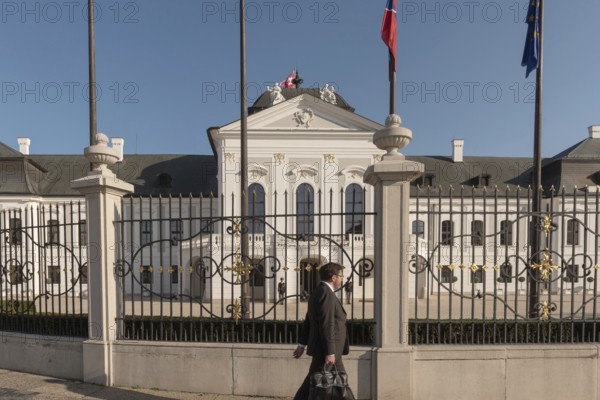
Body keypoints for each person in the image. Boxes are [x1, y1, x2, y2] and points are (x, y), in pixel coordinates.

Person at [292, 262, 349, 400]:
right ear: (333, 277)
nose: (342, 279)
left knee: (341, 382)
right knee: (313, 384)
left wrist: (301, 344)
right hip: (327, 350)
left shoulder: (319, 291)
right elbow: (326, 324)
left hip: (333, 350)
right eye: (341, 275)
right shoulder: (326, 293)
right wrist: (330, 352)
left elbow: (309, 320)